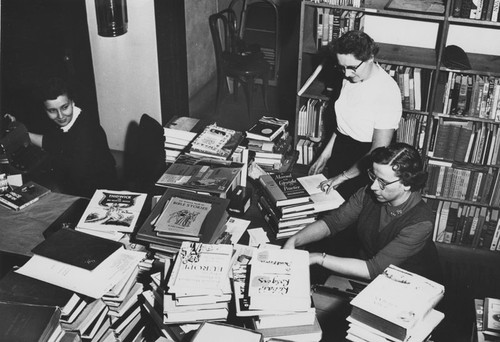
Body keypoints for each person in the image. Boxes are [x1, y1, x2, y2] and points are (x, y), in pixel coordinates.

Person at [284, 143, 441, 282]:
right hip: (369, 271)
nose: (373, 186)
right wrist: (295, 240)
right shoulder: (368, 193)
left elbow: (373, 269)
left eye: (383, 182)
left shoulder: (421, 221)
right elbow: (332, 223)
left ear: (407, 184)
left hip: (407, 283)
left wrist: (318, 258)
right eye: (373, 176)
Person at [309, 30, 403, 200]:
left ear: (370, 58)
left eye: (352, 68)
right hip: (342, 148)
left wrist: (343, 177)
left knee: (350, 215)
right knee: (330, 206)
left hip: (367, 161)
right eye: (342, 67)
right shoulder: (350, 77)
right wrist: (325, 154)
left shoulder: (387, 92)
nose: (346, 74)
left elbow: (378, 150)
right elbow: (343, 125)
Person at [4, 77, 117, 198]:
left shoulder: (86, 130)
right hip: (77, 187)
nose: (60, 116)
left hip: (97, 194)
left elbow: (64, 157)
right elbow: (52, 142)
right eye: (52, 110)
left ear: (72, 102)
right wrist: (17, 128)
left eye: (64, 107)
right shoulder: (70, 122)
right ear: (45, 109)